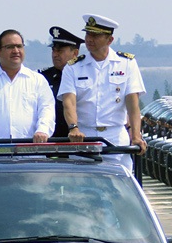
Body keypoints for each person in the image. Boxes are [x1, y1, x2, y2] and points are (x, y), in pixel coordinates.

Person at [57, 14, 147, 175]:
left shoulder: (127, 63)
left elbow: (133, 106)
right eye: (87, 34)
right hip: (84, 135)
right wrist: (73, 128)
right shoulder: (73, 67)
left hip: (115, 136)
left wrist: (136, 135)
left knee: (118, 188)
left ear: (109, 40)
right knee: (83, 187)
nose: (89, 39)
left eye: (95, 35)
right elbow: (68, 102)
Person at [0, 30, 54, 143]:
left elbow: (47, 109)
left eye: (19, 46)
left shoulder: (38, 80)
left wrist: (43, 130)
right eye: (10, 47)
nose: (16, 51)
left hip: (31, 153)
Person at [42, 26, 84, 138]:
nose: (55, 54)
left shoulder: (85, 76)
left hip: (78, 140)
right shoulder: (44, 77)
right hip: (50, 141)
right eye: (53, 50)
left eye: (60, 51)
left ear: (75, 53)